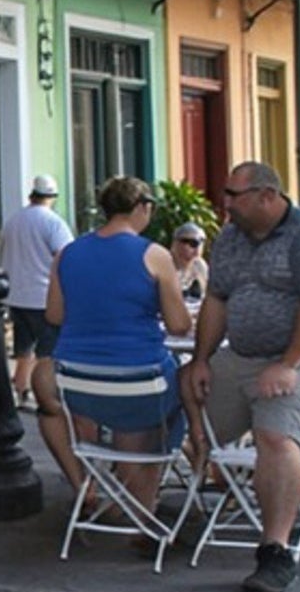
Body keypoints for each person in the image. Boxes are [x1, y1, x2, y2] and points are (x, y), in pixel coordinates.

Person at [186, 163, 300, 592]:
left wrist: (290, 363)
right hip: (242, 357)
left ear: (266, 196)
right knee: (183, 391)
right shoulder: (230, 239)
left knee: (273, 436)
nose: (226, 202)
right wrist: (202, 359)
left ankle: (275, 551)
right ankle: (186, 503)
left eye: (233, 194)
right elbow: (217, 301)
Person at [33, 177, 191, 520]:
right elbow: (180, 325)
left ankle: (85, 487)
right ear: (142, 208)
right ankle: (139, 516)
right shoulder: (155, 255)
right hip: (140, 384)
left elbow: (54, 314)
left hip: (78, 385)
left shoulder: (68, 253)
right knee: (167, 403)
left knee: (69, 397)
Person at [0, 175, 73, 406]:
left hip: (17, 295)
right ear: (53, 197)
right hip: (43, 297)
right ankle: (45, 395)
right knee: (47, 352)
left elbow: (2, 255)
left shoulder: (13, 221)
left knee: (23, 347)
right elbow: (67, 256)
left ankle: (21, 389)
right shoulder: (53, 223)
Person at [171, 220, 210, 300]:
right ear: (176, 243)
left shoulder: (199, 265)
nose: (197, 249)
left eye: (201, 243)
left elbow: (207, 295)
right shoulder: (165, 264)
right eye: (192, 243)